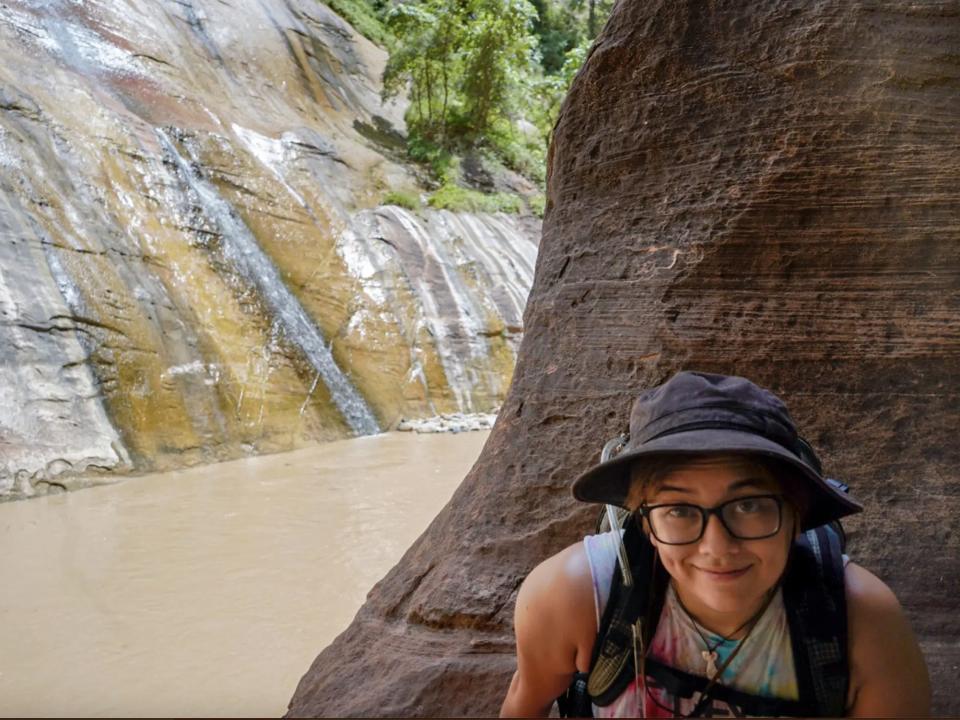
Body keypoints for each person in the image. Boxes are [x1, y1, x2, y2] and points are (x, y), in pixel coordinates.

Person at [500, 371, 930, 717]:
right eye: (680, 510)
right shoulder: (575, 596)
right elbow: (527, 703)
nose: (717, 546)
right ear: (645, 523)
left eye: (748, 506)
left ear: (795, 514)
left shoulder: (862, 621)